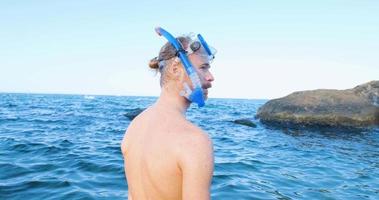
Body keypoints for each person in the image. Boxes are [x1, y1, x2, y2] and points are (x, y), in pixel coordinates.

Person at [121, 28, 216, 200]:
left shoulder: (134, 126)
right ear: (175, 69)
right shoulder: (194, 141)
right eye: (203, 68)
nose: (210, 77)